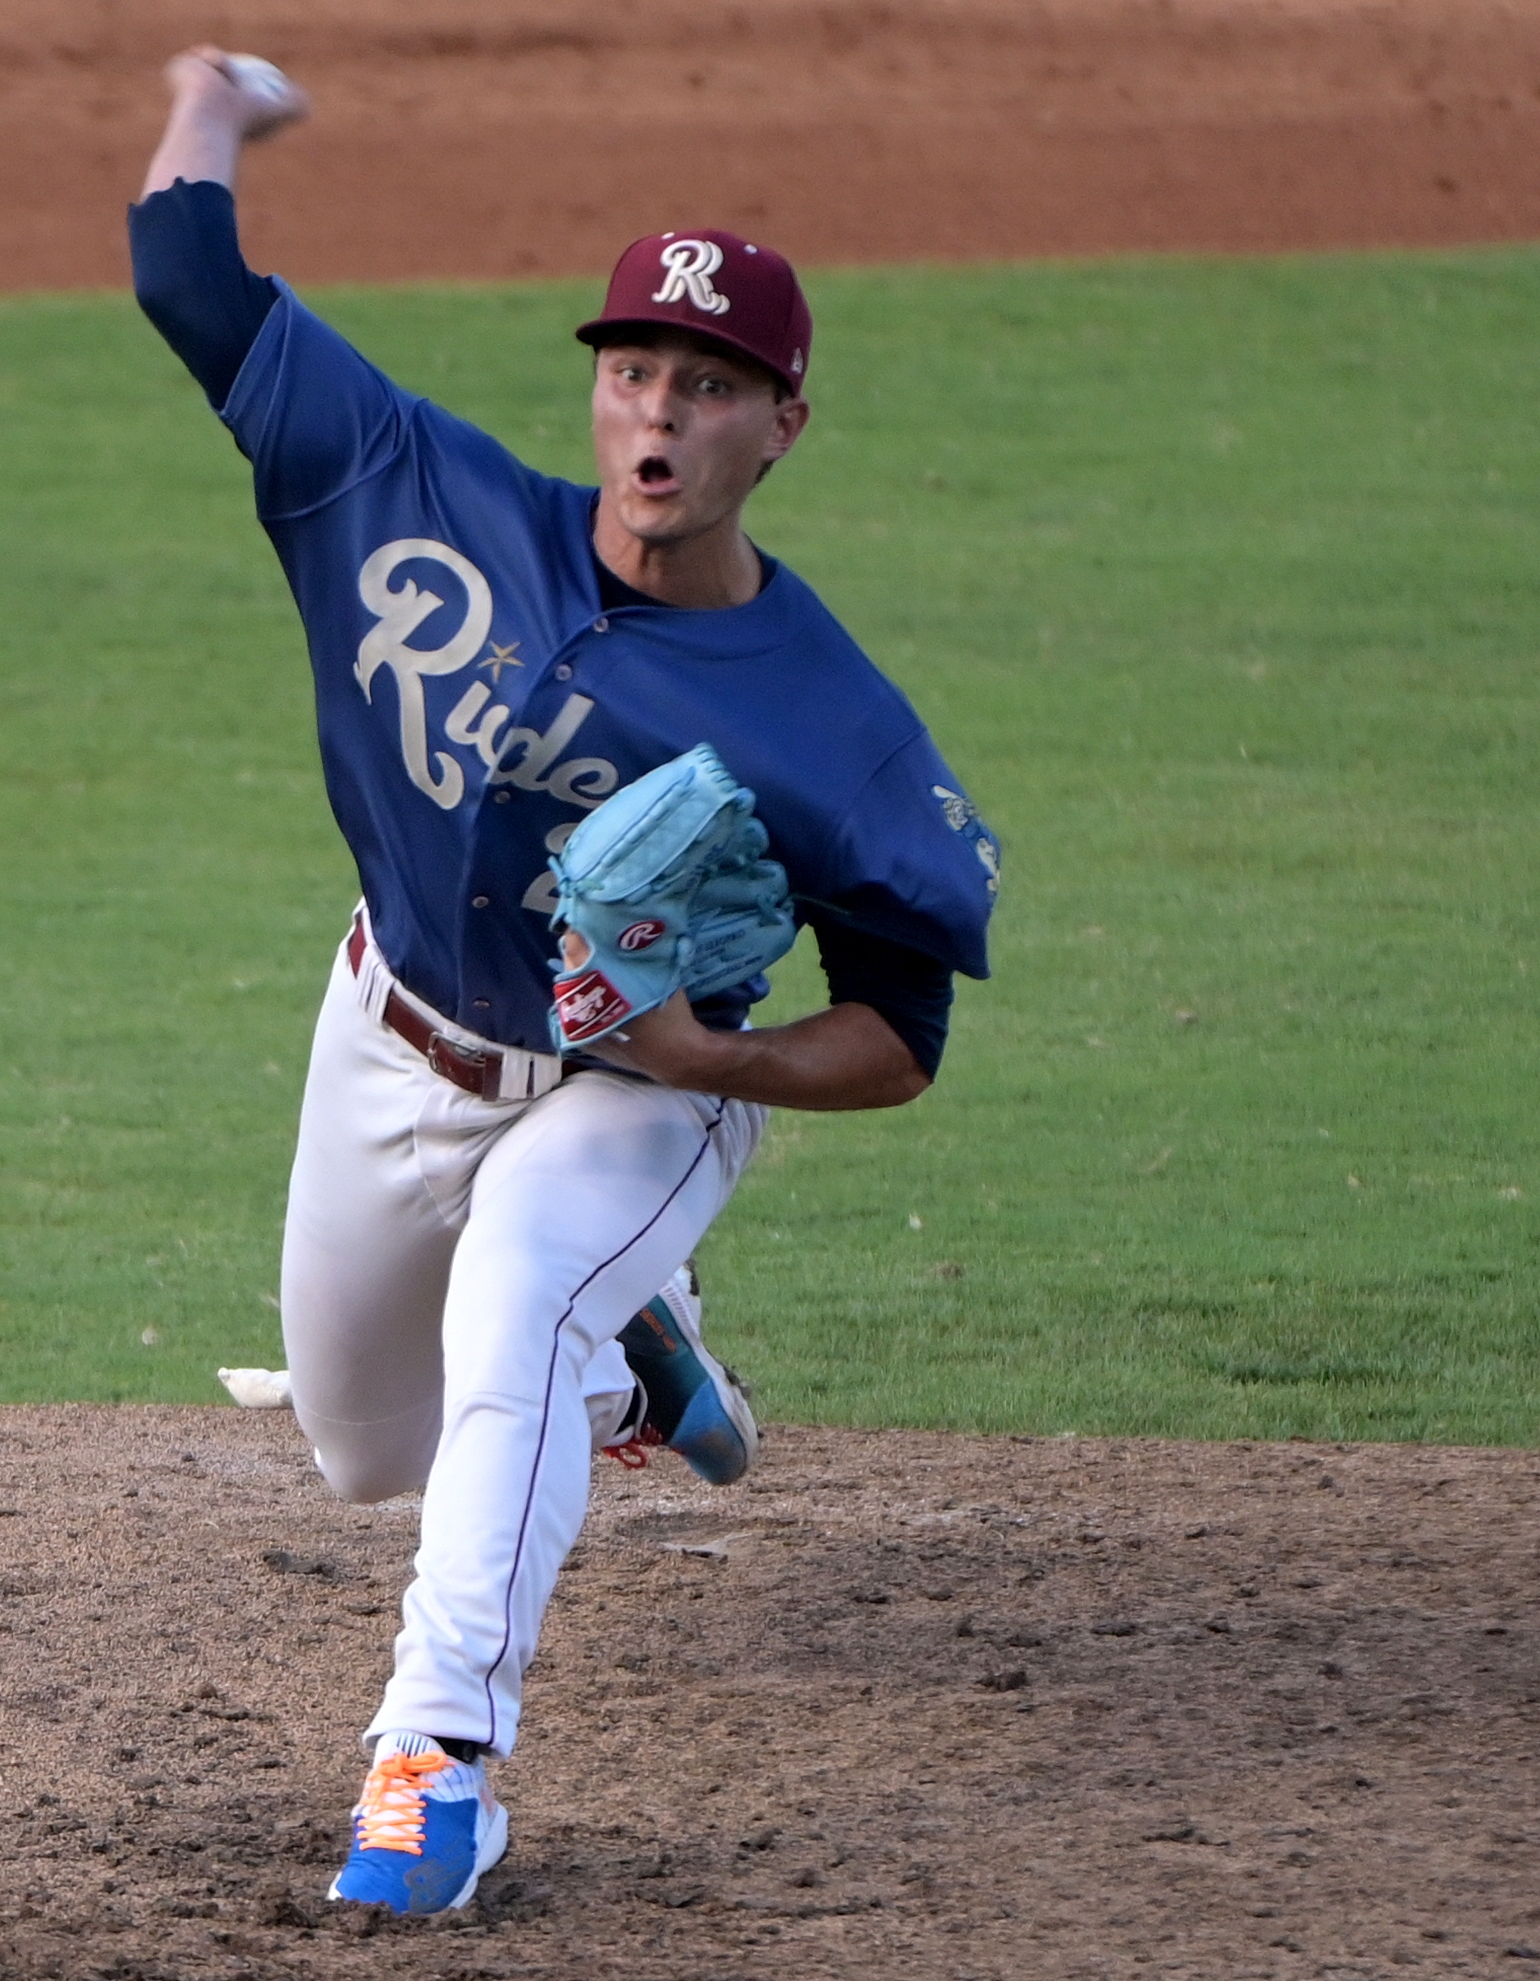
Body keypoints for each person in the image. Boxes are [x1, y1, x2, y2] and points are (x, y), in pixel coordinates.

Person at [127, 47, 1002, 1916]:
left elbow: (901, 1036)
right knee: (365, 1446)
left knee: (522, 1286)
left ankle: (431, 1766)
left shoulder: (831, 725)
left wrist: (712, 1052)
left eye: (708, 386)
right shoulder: (406, 483)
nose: (657, 417)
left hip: (637, 1087)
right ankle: (637, 1366)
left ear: (783, 423)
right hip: (390, 1025)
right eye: (632, 375)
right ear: (596, 392)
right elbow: (188, 284)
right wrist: (211, 97)